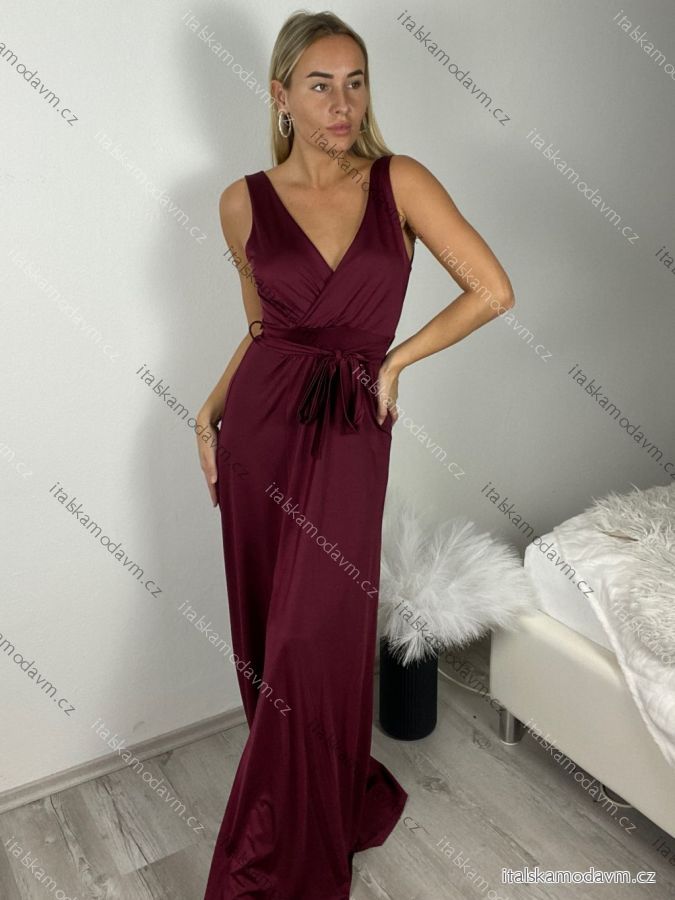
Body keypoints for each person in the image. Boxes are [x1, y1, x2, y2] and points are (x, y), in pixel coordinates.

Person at [196, 10, 514, 899]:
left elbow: (491, 290)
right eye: (319, 85)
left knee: (316, 635)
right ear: (280, 96)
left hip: (348, 426)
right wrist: (208, 412)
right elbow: (262, 329)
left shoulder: (398, 181)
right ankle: (307, 798)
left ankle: (281, 849)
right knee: (268, 632)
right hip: (258, 428)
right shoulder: (239, 202)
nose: (342, 104)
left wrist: (395, 362)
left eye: (355, 82)